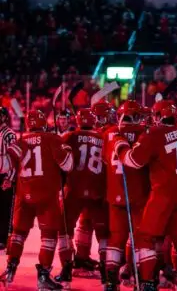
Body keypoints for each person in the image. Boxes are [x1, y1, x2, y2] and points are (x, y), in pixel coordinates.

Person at [111, 100, 177, 291]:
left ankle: (147, 281)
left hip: (164, 194)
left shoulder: (154, 134)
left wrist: (120, 146)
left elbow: (133, 161)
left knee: (145, 237)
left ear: (157, 117)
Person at [0, 110, 74, 290]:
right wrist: (68, 149)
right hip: (47, 196)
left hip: (24, 194)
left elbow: (4, 165)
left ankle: (10, 269)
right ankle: (43, 276)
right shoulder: (52, 139)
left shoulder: (21, 140)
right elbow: (68, 165)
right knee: (48, 237)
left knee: (18, 233)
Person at [55, 108, 108, 289]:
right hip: (97, 190)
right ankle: (107, 272)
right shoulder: (103, 137)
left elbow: (61, 162)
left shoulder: (70, 136)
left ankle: (67, 271)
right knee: (103, 234)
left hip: (74, 189)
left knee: (64, 230)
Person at [102, 100, 150, 290]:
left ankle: (111, 281)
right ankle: (143, 278)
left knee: (116, 239)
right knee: (141, 239)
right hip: (138, 193)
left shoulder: (109, 133)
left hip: (115, 193)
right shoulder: (145, 134)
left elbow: (106, 161)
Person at [72, 100, 115, 280]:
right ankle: (105, 263)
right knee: (102, 227)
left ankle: (81, 259)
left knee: (85, 222)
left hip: (81, 185)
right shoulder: (106, 133)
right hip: (100, 186)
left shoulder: (78, 133)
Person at [0, 107, 17, 250]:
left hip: (5, 174)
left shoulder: (9, 134)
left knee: (5, 208)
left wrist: (10, 178)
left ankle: (4, 239)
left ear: (5, 117)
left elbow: (14, 157)